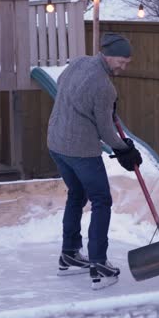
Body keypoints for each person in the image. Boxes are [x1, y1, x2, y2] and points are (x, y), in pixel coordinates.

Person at [47, 32, 143, 290]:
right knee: (101, 200)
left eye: (127, 62)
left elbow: (63, 85)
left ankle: (69, 254)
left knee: (76, 195)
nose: (124, 66)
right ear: (108, 56)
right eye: (122, 61)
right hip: (80, 149)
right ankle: (99, 265)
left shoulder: (78, 62)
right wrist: (125, 149)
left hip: (56, 142)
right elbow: (105, 130)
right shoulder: (104, 87)